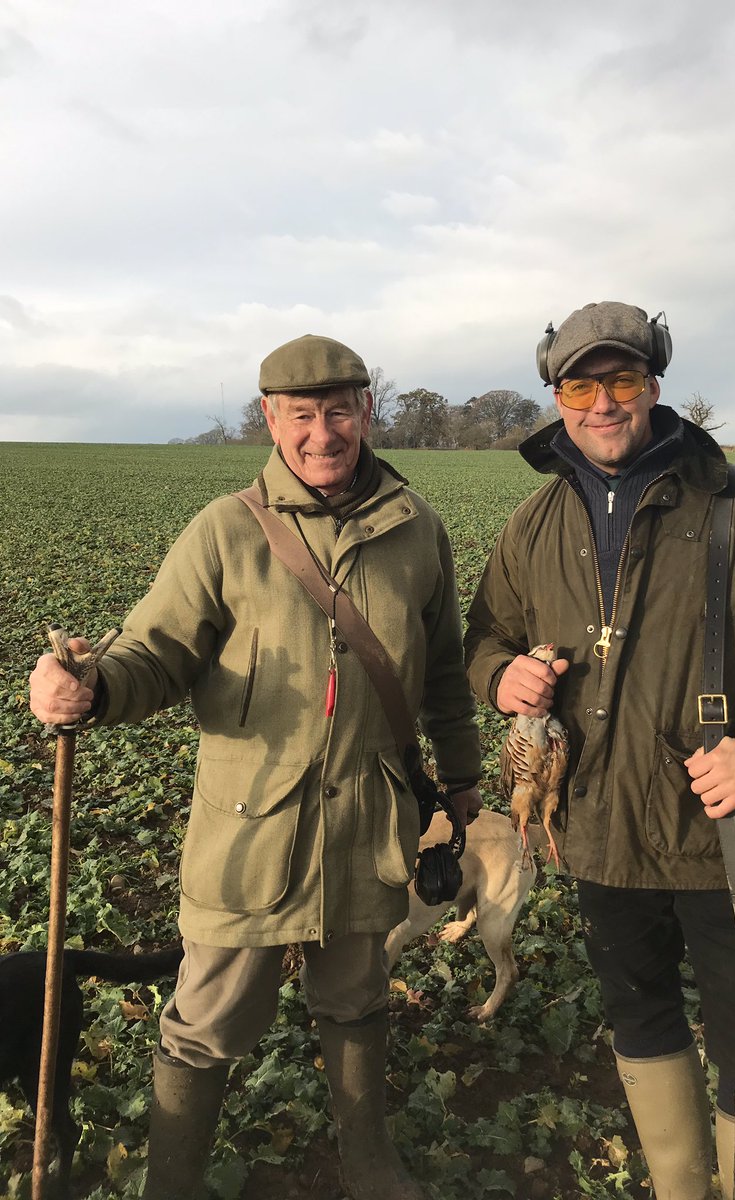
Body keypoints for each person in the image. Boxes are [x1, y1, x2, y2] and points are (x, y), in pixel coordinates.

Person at [29, 334, 483, 1200]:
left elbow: (447, 671)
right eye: (301, 415)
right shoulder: (227, 531)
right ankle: (174, 1180)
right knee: (205, 1024)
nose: (323, 433)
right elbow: (153, 653)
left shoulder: (416, 529)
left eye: (339, 411)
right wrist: (89, 687)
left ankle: (368, 1158)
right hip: (249, 830)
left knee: (357, 999)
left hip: (366, 825)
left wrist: (461, 779)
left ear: (367, 412)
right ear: (270, 419)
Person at [464, 302, 735, 1199]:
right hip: (599, 834)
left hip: (723, 835)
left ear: (654, 387)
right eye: (580, 383)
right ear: (556, 394)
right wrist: (501, 677)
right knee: (638, 1018)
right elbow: (485, 635)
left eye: (623, 381)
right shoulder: (535, 524)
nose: (602, 404)